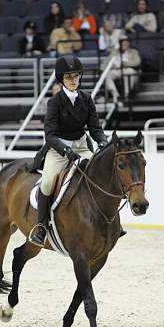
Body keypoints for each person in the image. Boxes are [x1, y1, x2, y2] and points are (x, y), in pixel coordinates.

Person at [28, 55, 108, 247]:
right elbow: (50, 135)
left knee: (100, 175)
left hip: (81, 145)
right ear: (62, 79)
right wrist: (65, 151)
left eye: (75, 76)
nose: (73, 80)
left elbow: (94, 128)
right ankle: (41, 227)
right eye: (68, 77)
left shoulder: (87, 99)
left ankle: (107, 221)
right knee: (47, 183)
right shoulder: (54, 102)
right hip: (58, 149)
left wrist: (103, 141)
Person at [102, 37, 141, 104]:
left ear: (129, 43)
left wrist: (125, 64)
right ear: (120, 43)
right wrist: (111, 65)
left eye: (126, 41)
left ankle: (126, 95)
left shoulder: (134, 52)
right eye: (123, 41)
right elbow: (103, 65)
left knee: (130, 72)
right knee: (107, 74)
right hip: (116, 70)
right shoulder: (114, 52)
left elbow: (137, 62)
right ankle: (115, 93)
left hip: (128, 70)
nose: (125, 43)